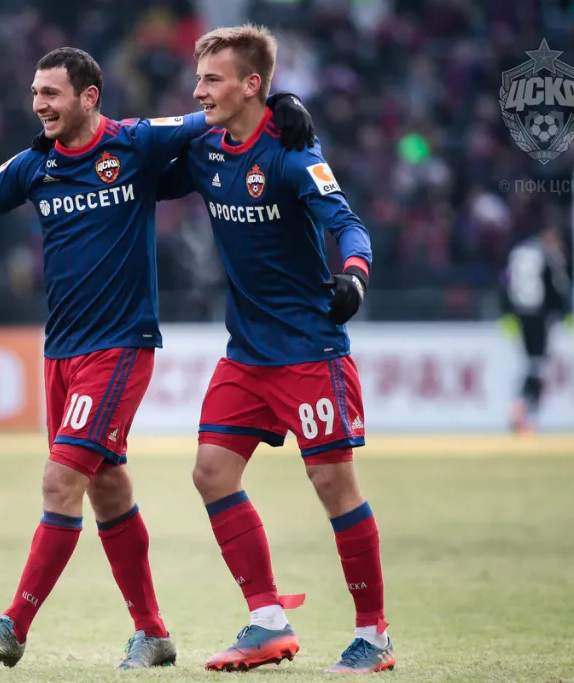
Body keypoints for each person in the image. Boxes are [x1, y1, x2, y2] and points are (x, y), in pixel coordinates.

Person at [0, 46, 314, 669]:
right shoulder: (35, 165)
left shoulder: (134, 143)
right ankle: (152, 633)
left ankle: (13, 624)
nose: (39, 104)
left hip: (119, 347)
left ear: (89, 97)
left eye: (51, 93)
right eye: (35, 93)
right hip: (61, 353)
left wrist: (281, 104)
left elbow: (218, 112)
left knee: (61, 480)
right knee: (106, 488)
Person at [157, 25, 394, 674]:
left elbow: (348, 222)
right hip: (246, 354)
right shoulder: (204, 149)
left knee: (332, 483)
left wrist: (354, 276)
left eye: (211, 79)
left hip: (309, 350)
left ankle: (373, 635)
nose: (198, 91)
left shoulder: (292, 155)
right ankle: (267, 621)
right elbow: (146, 160)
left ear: (251, 84)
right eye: (198, 78)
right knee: (211, 473)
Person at [499, 223, 572, 433]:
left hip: (519, 315)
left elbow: (504, 281)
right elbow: (556, 287)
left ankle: (520, 411)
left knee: (529, 364)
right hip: (539, 316)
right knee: (536, 366)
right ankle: (526, 415)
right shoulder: (549, 256)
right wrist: (565, 312)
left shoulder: (518, 252)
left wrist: (506, 312)